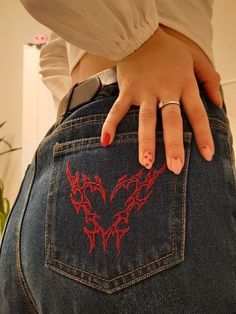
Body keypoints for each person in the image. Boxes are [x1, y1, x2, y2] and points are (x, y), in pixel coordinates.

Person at [0, 1, 235, 313]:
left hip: (54, 170)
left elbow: (56, 54)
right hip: (136, 141)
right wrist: (140, 43)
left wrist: (83, 104)